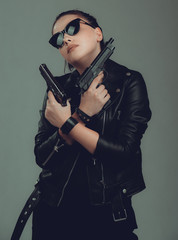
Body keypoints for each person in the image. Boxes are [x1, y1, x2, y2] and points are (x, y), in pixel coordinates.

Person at [32, 9, 151, 240]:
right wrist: (83, 113)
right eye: (58, 39)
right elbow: (42, 157)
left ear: (98, 33)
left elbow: (124, 154)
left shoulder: (129, 82)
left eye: (73, 28)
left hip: (106, 219)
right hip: (52, 215)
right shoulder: (57, 90)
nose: (65, 39)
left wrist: (68, 124)